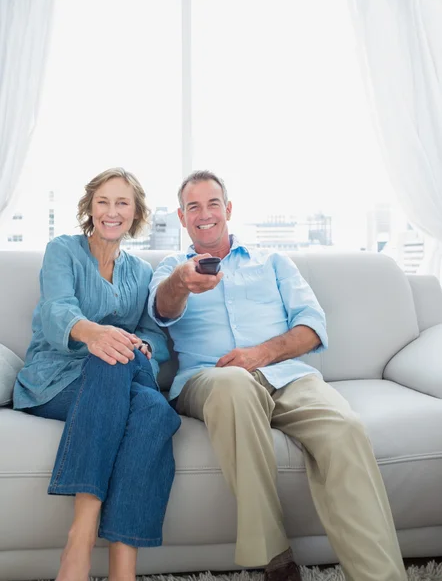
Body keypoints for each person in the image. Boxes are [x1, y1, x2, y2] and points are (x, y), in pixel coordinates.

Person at [148, 170, 407, 581]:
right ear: (182, 218)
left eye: (213, 203)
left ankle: (380, 576)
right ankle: (275, 558)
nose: (204, 214)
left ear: (228, 209)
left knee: (346, 428)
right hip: (211, 379)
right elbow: (161, 309)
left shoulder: (273, 263)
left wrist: (262, 353)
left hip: (287, 375)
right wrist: (182, 281)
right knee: (233, 385)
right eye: (193, 207)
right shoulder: (170, 268)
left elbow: (312, 325)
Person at [13, 168, 181, 581]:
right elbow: (56, 309)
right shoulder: (63, 251)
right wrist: (94, 333)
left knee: (156, 413)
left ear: (135, 211)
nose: (111, 211)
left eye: (122, 202)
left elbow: (155, 337)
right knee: (113, 359)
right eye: (103, 201)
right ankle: (81, 537)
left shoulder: (142, 272)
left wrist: (138, 344)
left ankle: (123, 567)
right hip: (56, 380)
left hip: (117, 375)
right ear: (90, 206)